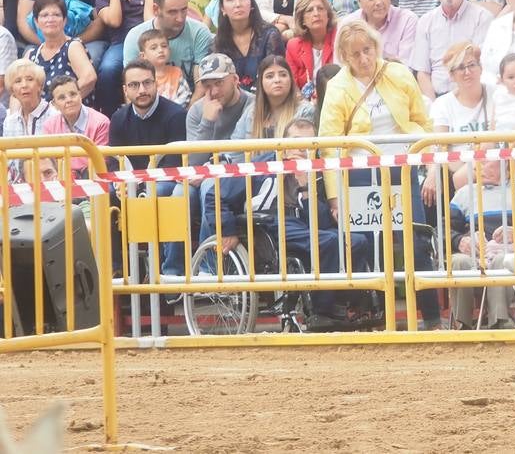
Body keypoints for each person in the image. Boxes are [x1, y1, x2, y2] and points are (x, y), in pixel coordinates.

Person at [318, 20, 440, 328]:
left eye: (368, 50)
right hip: (359, 175)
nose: (363, 59)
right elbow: (329, 143)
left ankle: (432, 318)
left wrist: (430, 164)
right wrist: (334, 196)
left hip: (401, 168)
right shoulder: (338, 87)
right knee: (370, 244)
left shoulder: (398, 74)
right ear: (344, 57)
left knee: (415, 241)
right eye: (355, 54)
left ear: (377, 47)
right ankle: (375, 317)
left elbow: (421, 121)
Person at [204, 115, 368, 331]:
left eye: (307, 145)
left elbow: (323, 223)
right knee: (327, 241)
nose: (301, 150)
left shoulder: (316, 171)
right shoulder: (261, 165)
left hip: (301, 225)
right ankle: (321, 312)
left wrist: (306, 188)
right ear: (284, 144)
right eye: (296, 143)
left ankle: (349, 305)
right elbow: (215, 196)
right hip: (267, 223)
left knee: (357, 241)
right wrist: (228, 230)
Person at [445, 151, 515, 330]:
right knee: (458, 260)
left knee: (501, 260)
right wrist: (459, 240)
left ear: (505, 163)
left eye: (484, 161)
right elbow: (443, 230)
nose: (476, 166)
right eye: (476, 162)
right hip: (476, 254)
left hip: (511, 254)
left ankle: (499, 320)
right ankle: (461, 324)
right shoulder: (465, 193)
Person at [109, 58, 189, 270]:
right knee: (104, 193)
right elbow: (113, 160)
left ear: (156, 84)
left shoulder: (176, 115)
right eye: (134, 85)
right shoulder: (118, 118)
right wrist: (119, 182)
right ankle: (118, 267)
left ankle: (168, 270)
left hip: (162, 182)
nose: (142, 90)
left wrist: (140, 186)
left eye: (147, 83)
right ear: (125, 90)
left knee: (160, 190)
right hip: (130, 182)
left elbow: (174, 163)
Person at [411, 0, 490, 98]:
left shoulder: (482, 18)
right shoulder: (425, 22)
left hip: (471, 96)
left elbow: (481, 67)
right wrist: (434, 107)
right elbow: (422, 73)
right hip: (435, 97)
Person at [122, 0, 213, 86]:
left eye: (184, 10)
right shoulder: (135, 37)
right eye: (172, 12)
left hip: (191, 99)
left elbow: (202, 84)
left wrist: (191, 103)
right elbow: (132, 86)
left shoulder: (199, 32)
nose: (180, 18)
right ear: (156, 9)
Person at [213, 0, 285, 93]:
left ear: (251, 4)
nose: (238, 4)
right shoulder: (218, 43)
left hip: (266, 99)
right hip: (232, 103)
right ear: (222, 9)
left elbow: (276, 76)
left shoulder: (270, 35)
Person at [26, 0, 95, 101]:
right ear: (36, 22)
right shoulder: (31, 55)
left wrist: (58, 103)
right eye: (44, 15)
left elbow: (89, 79)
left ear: (64, 20)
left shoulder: (72, 47)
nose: (50, 19)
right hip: (40, 115)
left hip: (69, 113)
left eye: (56, 15)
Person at [336, 0, 418, 65]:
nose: (379, 2)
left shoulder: (407, 20)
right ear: (359, 2)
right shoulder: (348, 24)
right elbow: (341, 66)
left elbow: (405, 68)